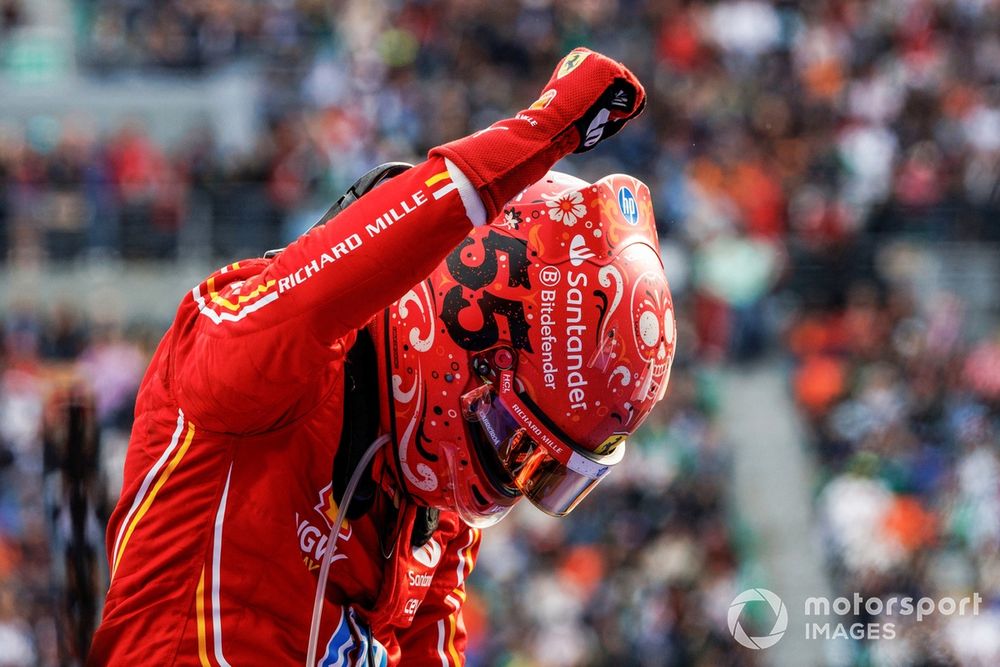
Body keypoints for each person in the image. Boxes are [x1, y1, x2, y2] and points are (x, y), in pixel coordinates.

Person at [88, 48, 675, 666]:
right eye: (519, 447)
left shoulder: (436, 512)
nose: (514, 481)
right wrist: (532, 135)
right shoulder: (250, 349)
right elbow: (315, 299)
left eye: (547, 477)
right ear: (463, 336)